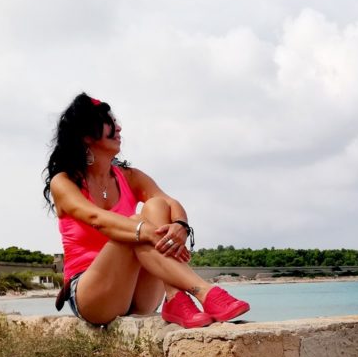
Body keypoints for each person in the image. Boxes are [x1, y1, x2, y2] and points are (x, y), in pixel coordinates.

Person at [43, 93, 250, 328]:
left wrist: (180, 226)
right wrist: (149, 231)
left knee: (156, 206)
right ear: (87, 136)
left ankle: (174, 296)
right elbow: (96, 218)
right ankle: (204, 291)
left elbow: (169, 203)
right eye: (109, 122)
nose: (119, 128)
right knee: (134, 228)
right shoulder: (64, 181)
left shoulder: (130, 177)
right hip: (93, 294)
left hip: (140, 294)